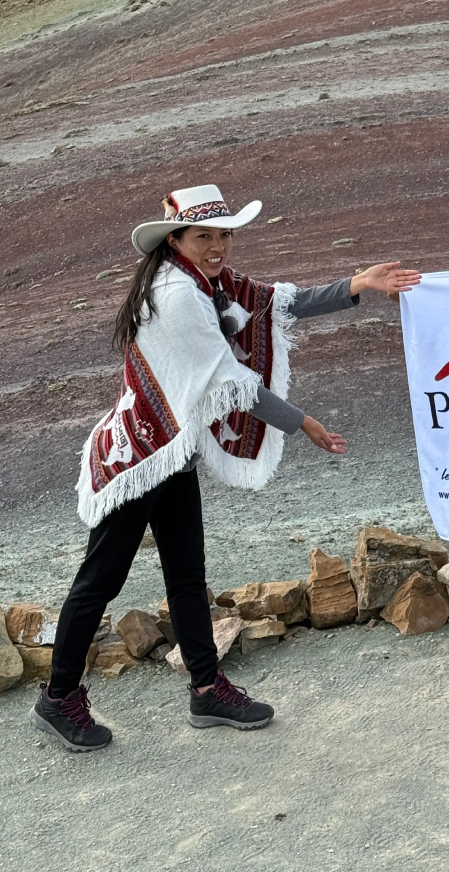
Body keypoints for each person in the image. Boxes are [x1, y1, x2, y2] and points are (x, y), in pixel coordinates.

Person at [33, 183, 419, 753]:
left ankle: (206, 689)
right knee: (100, 581)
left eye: (224, 235)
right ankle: (58, 697)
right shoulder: (176, 294)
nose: (218, 246)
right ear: (176, 239)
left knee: (187, 576)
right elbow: (230, 383)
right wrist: (302, 423)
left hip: (173, 452)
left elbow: (272, 302)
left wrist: (358, 284)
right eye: (204, 237)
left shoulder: (206, 281)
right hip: (139, 457)